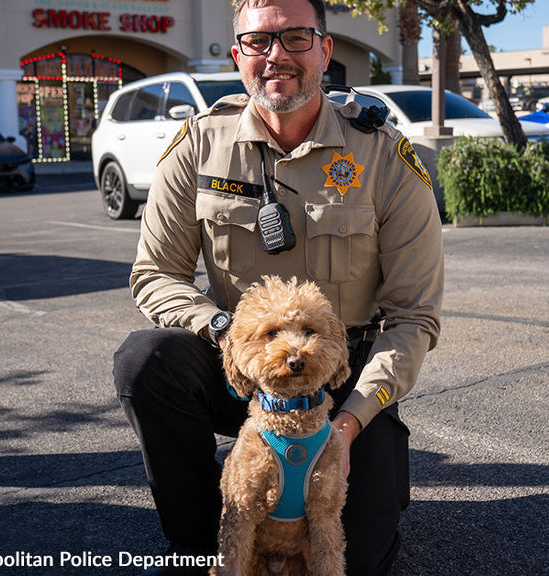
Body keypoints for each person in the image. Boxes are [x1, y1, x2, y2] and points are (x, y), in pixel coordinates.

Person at [112, 0, 443, 573]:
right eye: (259, 41)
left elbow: (415, 317)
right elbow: (155, 275)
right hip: (241, 367)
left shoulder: (382, 155)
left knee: (358, 558)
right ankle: (201, 547)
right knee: (145, 360)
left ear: (325, 49)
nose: (277, 57)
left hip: (344, 380)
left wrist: (350, 423)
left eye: (296, 38)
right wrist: (222, 332)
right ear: (238, 53)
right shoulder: (198, 145)